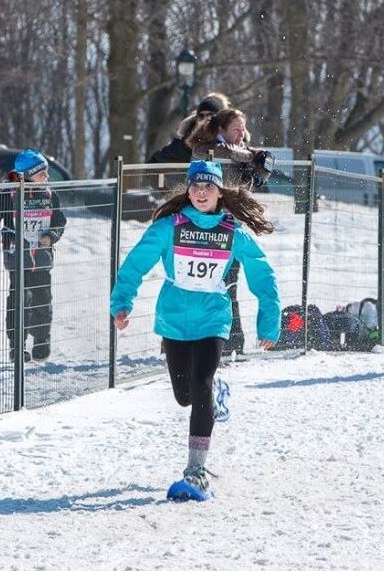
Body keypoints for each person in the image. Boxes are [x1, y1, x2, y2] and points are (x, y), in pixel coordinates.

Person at [110, 160, 281, 500]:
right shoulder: (169, 228)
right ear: (188, 190)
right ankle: (215, 393)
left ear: (220, 192)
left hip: (213, 319)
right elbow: (135, 264)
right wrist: (122, 302)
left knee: (200, 384)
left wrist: (269, 320)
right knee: (184, 395)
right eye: (195, 187)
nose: (201, 192)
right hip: (174, 319)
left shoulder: (233, 233)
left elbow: (263, 276)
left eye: (208, 187)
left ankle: (196, 470)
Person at [186, 107, 274, 355]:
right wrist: (251, 156)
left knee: (228, 287)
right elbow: (219, 153)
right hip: (203, 229)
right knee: (199, 287)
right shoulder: (206, 147)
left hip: (231, 229)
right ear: (220, 129)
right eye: (235, 129)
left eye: (243, 129)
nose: (241, 134)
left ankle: (232, 344)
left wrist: (260, 166)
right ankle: (192, 342)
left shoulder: (244, 150)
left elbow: (254, 176)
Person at [0, 149, 67, 363]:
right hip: (17, 259)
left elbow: (59, 221)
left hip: (41, 259)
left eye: (46, 173)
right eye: (41, 173)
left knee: (42, 299)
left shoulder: (49, 195)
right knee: (18, 300)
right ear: (27, 174)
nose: (46, 177)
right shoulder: (10, 194)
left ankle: (41, 340)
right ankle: (16, 344)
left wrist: (51, 235)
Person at [146, 92, 232, 164]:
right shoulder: (183, 145)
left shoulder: (234, 139)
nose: (205, 120)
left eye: (211, 115)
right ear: (196, 119)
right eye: (201, 116)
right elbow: (153, 164)